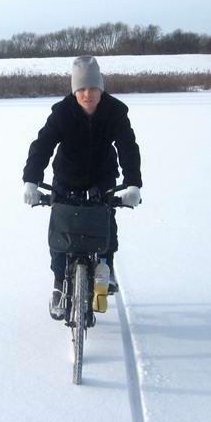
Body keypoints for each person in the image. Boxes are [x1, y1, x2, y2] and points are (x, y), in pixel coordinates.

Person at [22, 56, 142, 320]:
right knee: (61, 229)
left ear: (101, 87)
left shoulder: (115, 112)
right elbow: (42, 145)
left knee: (106, 221)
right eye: (81, 89)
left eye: (93, 88)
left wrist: (133, 183)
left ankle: (105, 269)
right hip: (67, 176)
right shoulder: (62, 112)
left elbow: (128, 147)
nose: (87, 95)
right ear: (74, 90)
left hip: (102, 177)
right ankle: (58, 282)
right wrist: (31, 179)